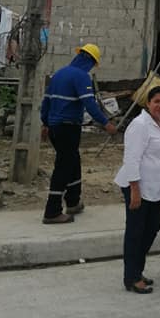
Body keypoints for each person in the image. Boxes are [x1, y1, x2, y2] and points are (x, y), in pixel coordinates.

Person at [40, 43, 117, 224]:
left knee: (73, 162)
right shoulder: (82, 77)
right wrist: (106, 123)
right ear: (90, 61)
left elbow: (46, 102)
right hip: (68, 128)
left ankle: (73, 202)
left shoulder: (59, 74)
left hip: (55, 127)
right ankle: (52, 212)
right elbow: (90, 104)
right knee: (64, 166)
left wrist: (45, 123)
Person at [114, 86, 160, 294]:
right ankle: (131, 278)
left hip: (155, 188)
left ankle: (137, 271)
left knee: (152, 228)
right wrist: (135, 190)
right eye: (156, 101)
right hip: (138, 187)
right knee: (135, 233)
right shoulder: (140, 125)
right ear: (148, 103)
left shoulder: (159, 123)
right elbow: (131, 159)